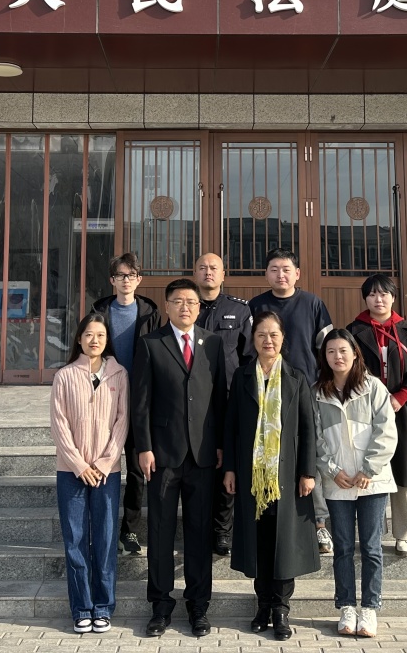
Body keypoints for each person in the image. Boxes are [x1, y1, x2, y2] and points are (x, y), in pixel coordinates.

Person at [130, 277, 227, 637]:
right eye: (178, 301)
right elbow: (140, 402)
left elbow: (219, 398)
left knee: (199, 534)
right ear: (167, 306)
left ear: (199, 308)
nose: (185, 307)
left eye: (191, 302)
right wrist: (143, 447)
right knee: (160, 532)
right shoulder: (150, 344)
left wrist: (220, 445)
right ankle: (160, 606)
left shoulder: (213, 343)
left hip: (203, 455)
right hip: (162, 455)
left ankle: (199, 606)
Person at [222, 310, 319, 641]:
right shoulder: (242, 376)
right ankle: (262, 604)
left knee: (284, 542)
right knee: (258, 541)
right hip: (252, 475)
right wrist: (230, 468)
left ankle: (281, 608)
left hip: (286, 475)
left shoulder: (296, 377)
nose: (268, 340)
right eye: (261, 334)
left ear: (283, 339)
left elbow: (308, 428)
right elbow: (231, 427)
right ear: (253, 339)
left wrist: (307, 472)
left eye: (274, 334)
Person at [248, 248, 334, 553]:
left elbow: (326, 347)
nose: (280, 275)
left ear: (297, 273)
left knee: (309, 453)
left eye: (286, 269)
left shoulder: (312, 303)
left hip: (304, 390)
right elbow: (248, 348)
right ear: (266, 274)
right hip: (264, 392)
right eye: (274, 269)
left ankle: (319, 524)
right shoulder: (255, 305)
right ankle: (264, 516)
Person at [314, 328, 397, 639]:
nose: (337, 356)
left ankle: (370, 608)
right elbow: (316, 439)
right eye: (331, 351)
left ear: (354, 353)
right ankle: (346, 606)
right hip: (338, 483)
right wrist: (332, 470)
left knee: (372, 548)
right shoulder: (318, 392)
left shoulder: (372, 387)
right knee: (343, 548)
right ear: (324, 356)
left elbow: (386, 431)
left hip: (371, 482)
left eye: (343, 350)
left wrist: (368, 469)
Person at [49, 312, 129, 635]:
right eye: (88, 335)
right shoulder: (64, 376)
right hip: (71, 472)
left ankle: (103, 607)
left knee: (106, 540)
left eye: (100, 335)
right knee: (76, 540)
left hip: (107, 472)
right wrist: (80, 465)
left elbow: (122, 422)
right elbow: (59, 425)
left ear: (107, 340)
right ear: (79, 339)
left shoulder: (119, 374)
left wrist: (104, 463)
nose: (94, 340)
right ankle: (81, 607)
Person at [348, 273, 407, 557]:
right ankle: (373, 533)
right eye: (372, 294)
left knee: (403, 471)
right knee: (370, 469)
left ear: (393, 297)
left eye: (383, 294)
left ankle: (404, 534)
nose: (378, 299)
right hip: (367, 409)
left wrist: (401, 396)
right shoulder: (354, 331)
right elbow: (348, 367)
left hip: (401, 409)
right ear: (365, 299)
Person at [92, 252, 159, 556]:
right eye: (120, 275)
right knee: (101, 462)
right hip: (105, 397)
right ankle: (100, 525)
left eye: (131, 275)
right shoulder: (99, 311)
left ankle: (128, 529)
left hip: (139, 400)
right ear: (112, 280)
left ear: (139, 279)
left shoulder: (150, 312)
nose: (126, 280)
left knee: (135, 468)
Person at [194, 251, 253, 556]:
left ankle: (222, 531)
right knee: (199, 464)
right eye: (202, 267)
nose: (208, 272)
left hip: (229, 400)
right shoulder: (186, 305)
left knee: (227, 463)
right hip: (195, 402)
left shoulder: (239, 310)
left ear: (223, 274)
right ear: (195, 273)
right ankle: (200, 525)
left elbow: (249, 356)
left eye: (214, 268)